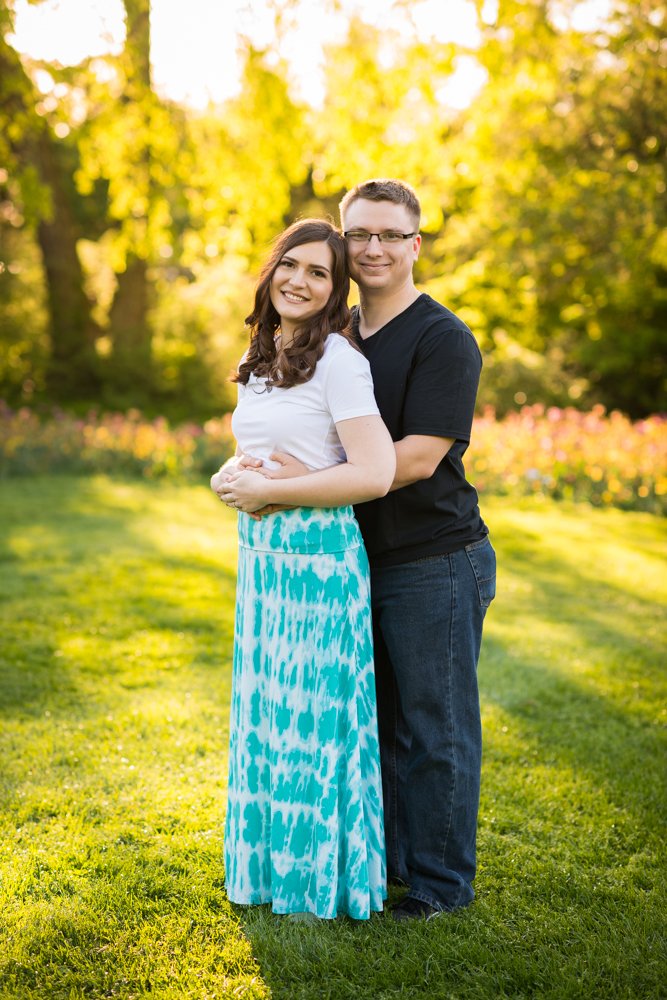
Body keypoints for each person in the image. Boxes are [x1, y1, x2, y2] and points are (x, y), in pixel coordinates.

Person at [235, 179, 496, 922]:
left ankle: (441, 886)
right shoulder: (335, 330)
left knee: (432, 726)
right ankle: (385, 863)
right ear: (344, 245)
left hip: (433, 557)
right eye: (360, 235)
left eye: (390, 235)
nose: (373, 248)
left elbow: (410, 460)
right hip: (354, 555)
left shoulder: (442, 338)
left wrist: (291, 488)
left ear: (415, 245)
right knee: (371, 720)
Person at [210, 218, 396, 922]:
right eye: (290, 265)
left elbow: (374, 474)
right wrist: (230, 481)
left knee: (314, 728)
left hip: (318, 568)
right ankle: (266, 870)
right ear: (270, 271)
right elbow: (263, 456)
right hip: (263, 565)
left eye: (319, 273)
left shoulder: (340, 363)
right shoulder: (263, 355)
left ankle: (318, 879)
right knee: (268, 722)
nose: (299, 280)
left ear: (334, 290)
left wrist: (274, 490)